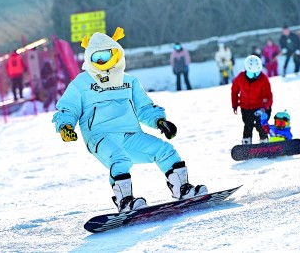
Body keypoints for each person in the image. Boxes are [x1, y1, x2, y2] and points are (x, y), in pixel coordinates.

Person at [51, 27, 207, 212]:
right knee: (119, 159)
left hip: (130, 135)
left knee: (164, 150)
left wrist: (159, 121)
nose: (101, 62)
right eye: (95, 58)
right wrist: (65, 126)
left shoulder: (128, 81)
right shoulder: (81, 83)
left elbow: (144, 107)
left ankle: (182, 189)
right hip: (101, 136)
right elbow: (68, 107)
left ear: (115, 54)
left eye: (105, 56)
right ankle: (125, 201)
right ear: (88, 59)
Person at [231, 55, 273, 145]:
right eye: (250, 74)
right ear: (246, 70)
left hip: (260, 108)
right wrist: (235, 105)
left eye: (256, 74)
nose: (253, 77)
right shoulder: (240, 78)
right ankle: (246, 144)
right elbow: (234, 91)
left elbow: (268, 96)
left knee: (260, 125)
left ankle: (264, 142)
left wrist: (264, 108)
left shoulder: (264, 79)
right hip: (246, 108)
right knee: (248, 126)